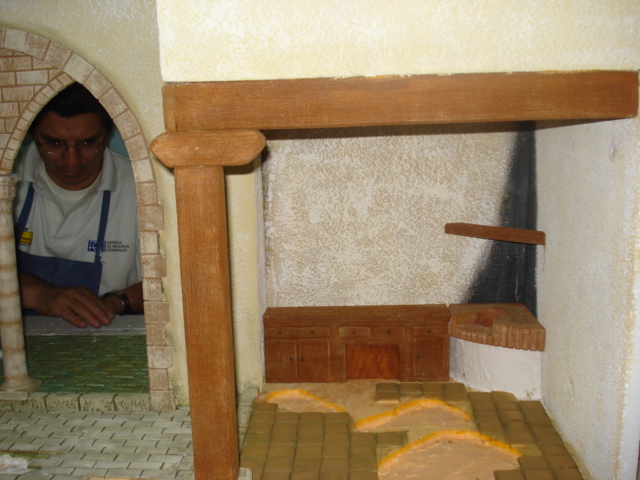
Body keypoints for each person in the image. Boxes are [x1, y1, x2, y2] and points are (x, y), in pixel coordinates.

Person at [12, 82, 142, 328]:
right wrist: (37, 293)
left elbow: (176, 281)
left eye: (87, 143)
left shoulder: (142, 188)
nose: (72, 161)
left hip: (109, 330)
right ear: (33, 136)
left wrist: (117, 303)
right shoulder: (8, 175)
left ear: (107, 135)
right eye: (54, 144)